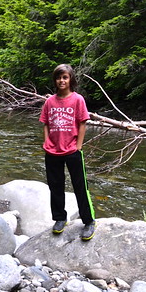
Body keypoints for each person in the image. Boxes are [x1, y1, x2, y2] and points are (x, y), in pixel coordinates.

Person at [39, 64, 96, 241]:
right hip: (52, 151)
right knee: (55, 187)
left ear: (71, 79)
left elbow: (82, 123)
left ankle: (88, 221)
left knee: (80, 186)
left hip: (72, 150)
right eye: (58, 77)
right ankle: (59, 218)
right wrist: (47, 141)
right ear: (55, 80)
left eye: (65, 77)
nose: (61, 80)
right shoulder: (50, 102)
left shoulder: (77, 99)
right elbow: (46, 123)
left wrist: (78, 146)